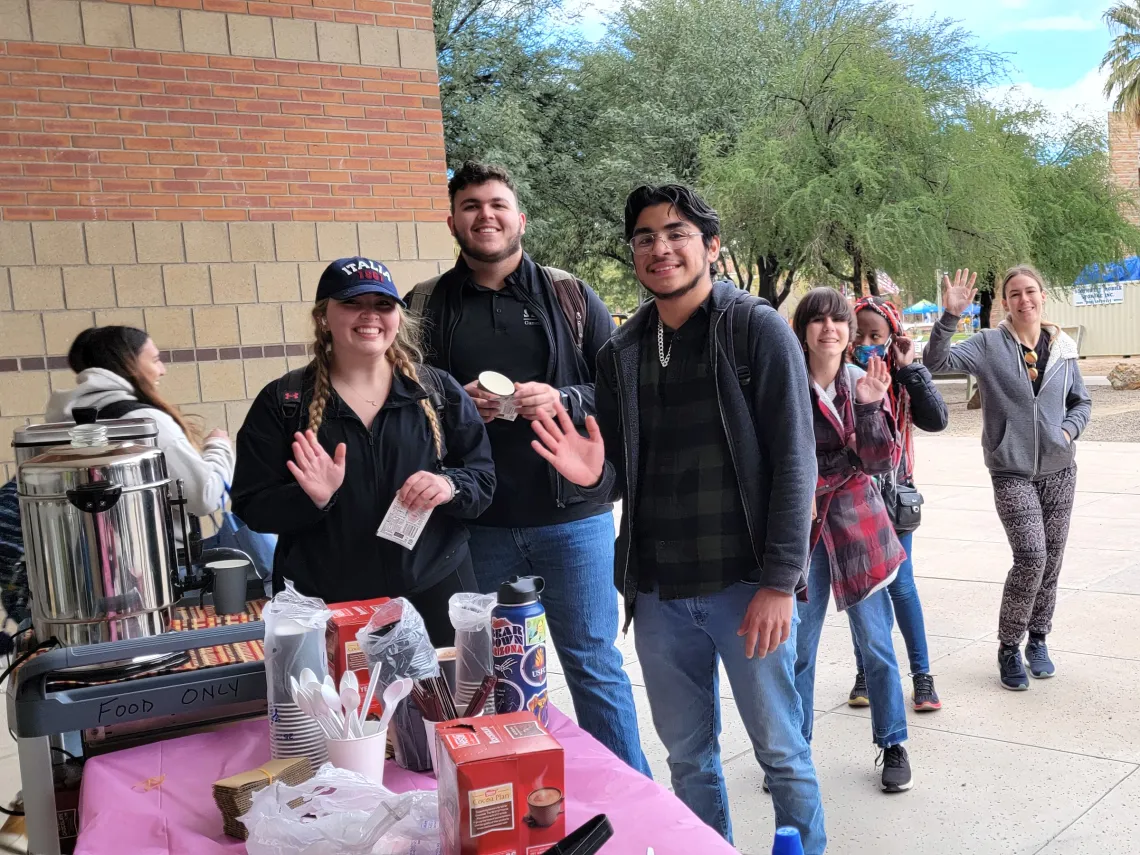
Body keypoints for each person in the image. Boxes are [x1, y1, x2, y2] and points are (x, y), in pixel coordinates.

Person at [528, 184, 825, 852]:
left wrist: (781, 580)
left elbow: (795, 460)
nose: (660, 247)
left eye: (676, 232)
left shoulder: (755, 328)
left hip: (746, 587)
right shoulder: (621, 352)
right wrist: (592, 476)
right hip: (660, 597)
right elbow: (622, 472)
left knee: (781, 751)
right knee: (689, 759)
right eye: (645, 237)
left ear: (710, 246)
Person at [407, 162, 648, 773]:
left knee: (593, 665)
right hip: (476, 525)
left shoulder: (569, 296)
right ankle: (513, 791)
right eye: (469, 205)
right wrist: (453, 407)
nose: (484, 215)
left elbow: (618, 387)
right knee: (487, 674)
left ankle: (631, 794)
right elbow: (401, 407)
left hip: (572, 516)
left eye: (496, 204)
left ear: (520, 218)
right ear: (452, 220)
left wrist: (560, 397)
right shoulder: (425, 306)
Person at [230, 257, 495, 647]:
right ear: (324, 316)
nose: (369, 315)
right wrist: (311, 499)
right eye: (353, 303)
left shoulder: (436, 391)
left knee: (450, 705)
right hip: (331, 601)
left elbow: (483, 479)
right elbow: (250, 505)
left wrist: (448, 485)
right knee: (348, 709)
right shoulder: (285, 402)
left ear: (398, 318)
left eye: (383, 305)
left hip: (436, 588)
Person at [924, 266, 1092, 690]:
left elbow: (1081, 401)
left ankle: (1039, 639)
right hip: (1011, 470)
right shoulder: (987, 345)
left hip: (1060, 470)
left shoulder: (1064, 346)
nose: (1024, 300)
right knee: (1032, 556)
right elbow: (935, 362)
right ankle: (1008, 646)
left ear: (1042, 296)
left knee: (1051, 562)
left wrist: (1068, 430)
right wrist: (949, 317)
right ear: (1004, 301)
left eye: (1030, 291)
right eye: (1014, 293)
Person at [791, 287, 913, 794]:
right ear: (802, 331)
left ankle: (893, 743)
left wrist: (867, 408)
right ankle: (793, 751)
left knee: (877, 645)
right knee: (798, 648)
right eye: (817, 320)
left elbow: (883, 460)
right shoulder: (785, 384)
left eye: (837, 320)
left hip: (860, 524)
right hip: (804, 531)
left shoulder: (864, 381)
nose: (829, 328)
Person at [847, 296, 948, 713]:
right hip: (853, 500)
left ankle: (922, 676)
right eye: (861, 335)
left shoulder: (901, 378)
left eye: (877, 335)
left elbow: (937, 420)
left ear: (891, 337)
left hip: (895, 495)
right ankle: (866, 671)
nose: (868, 343)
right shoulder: (843, 377)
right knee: (863, 592)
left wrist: (910, 369)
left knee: (901, 586)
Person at [45, 326, 235, 525]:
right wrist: (218, 447)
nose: (163, 370)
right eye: (155, 360)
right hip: (148, 552)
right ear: (128, 363)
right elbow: (203, 497)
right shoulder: (142, 421)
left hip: (86, 551)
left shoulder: (65, 420)